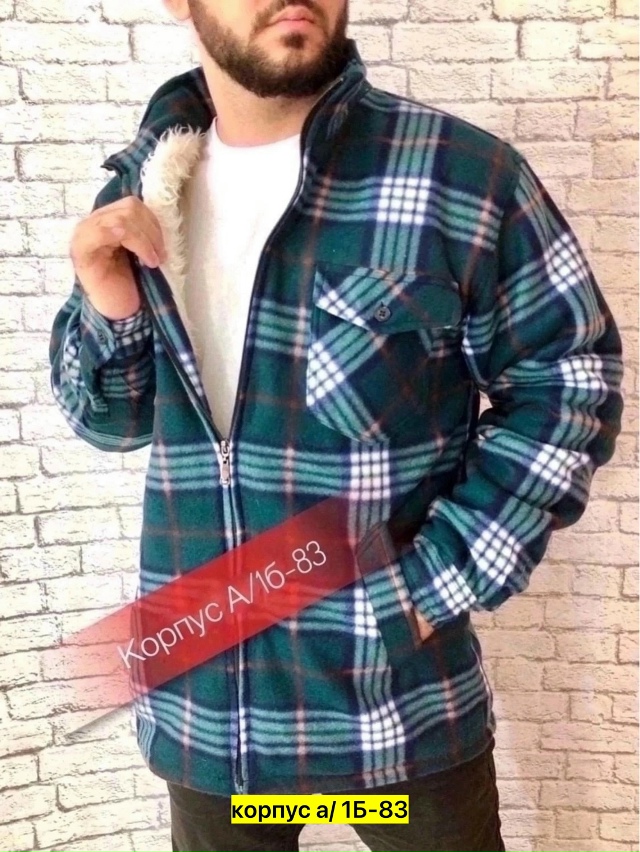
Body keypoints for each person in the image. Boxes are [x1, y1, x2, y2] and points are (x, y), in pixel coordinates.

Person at [49, 0, 624, 850]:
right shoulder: (142, 193)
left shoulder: (460, 176)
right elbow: (112, 421)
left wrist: (428, 591)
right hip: (209, 718)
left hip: (397, 715)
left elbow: (567, 382)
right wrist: (108, 304)